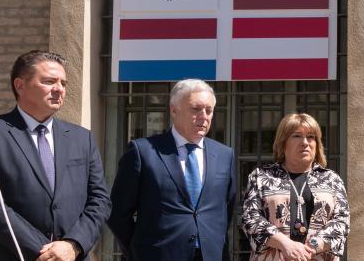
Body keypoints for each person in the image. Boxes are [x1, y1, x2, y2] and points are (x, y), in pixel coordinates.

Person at [0, 50, 110, 260]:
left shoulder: (81, 138)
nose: (59, 89)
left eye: (63, 83)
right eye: (49, 81)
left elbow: (100, 200)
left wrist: (73, 245)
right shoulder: (1, 133)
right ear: (20, 85)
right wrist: (47, 252)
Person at [108, 79, 237, 261]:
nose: (204, 116)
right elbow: (118, 213)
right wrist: (139, 252)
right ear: (174, 110)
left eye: (209, 110)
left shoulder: (225, 155)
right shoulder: (143, 151)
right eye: (196, 109)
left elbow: (226, 210)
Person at [242, 113, 349, 261]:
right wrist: (285, 244)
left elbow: (341, 221)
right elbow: (251, 219)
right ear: (283, 143)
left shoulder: (332, 179)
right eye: (297, 136)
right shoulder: (261, 177)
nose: (305, 142)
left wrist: (312, 247)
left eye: (311, 137)